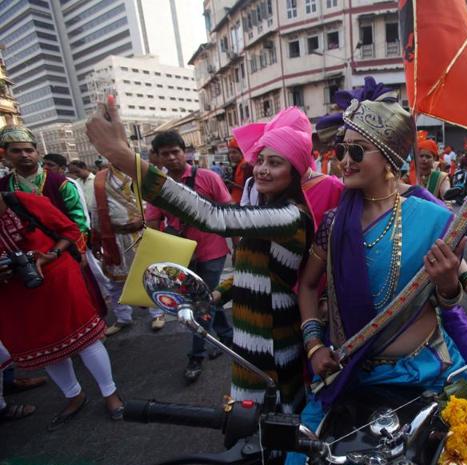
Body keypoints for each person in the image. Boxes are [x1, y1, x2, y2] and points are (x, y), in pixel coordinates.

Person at [283, 86, 467, 465]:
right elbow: (307, 287)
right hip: (348, 370)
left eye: (356, 151)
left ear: (388, 159)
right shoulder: (334, 224)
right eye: (340, 150)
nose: (344, 160)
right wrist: (314, 345)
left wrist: (454, 284)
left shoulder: (435, 221)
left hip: (424, 372)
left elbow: (444, 300)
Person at [87, 99, 316, 413]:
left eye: (275, 163)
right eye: (260, 159)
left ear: (296, 170)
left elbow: (212, 216)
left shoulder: (289, 216)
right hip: (251, 334)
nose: (262, 169)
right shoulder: (267, 209)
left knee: (272, 421)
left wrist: (123, 156)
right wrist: (215, 294)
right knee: (250, 416)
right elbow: (256, 270)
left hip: (272, 338)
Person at [0, 191, 122, 430]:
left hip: (56, 277)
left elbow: (70, 230)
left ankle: (111, 394)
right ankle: (74, 396)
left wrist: (49, 256)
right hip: (13, 294)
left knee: (85, 339)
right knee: (46, 346)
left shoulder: (24, 201)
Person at [145, 130, 234, 382]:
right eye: (166, 154)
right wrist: (157, 259)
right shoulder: (157, 186)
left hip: (213, 251)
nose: (172, 157)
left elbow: (230, 216)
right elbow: (152, 223)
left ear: (185, 152)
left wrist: (239, 248)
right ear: (158, 158)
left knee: (201, 304)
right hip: (181, 256)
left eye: (176, 151)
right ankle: (226, 336)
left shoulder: (208, 177)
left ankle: (197, 354)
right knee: (205, 302)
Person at [90, 157, 166, 335]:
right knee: (115, 282)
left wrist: (145, 219)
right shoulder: (101, 179)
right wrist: (96, 238)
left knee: (149, 275)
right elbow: (96, 210)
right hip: (114, 237)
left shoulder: (142, 173)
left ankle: (157, 313)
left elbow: (158, 202)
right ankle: (123, 317)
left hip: (141, 234)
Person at [0, 127, 89, 243]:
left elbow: (78, 218)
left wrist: (79, 250)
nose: (24, 155)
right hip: (24, 250)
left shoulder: (59, 182)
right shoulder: (3, 185)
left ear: (37, 153)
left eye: (29, 150)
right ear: (6, 155)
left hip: (64, 247)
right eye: (16, 151)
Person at [226, 137, 253, 204]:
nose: (231, 155)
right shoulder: (237, 166)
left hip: (242, 202)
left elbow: (249, 188)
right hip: (236, 200)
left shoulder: (246, 166)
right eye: (230, 153)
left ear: (242, 153)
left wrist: (233, 185)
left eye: (234, 152)